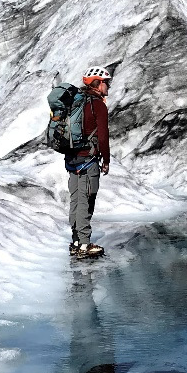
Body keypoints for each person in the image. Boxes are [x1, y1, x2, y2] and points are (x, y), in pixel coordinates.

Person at [66, 65, 112, 258]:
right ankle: (84, 245)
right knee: (87, 199)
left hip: (72, 158)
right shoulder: (97, 105)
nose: (108, 87)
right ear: (97, 83)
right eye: (106, 83)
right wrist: (106, 159)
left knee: (76, 199)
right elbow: (102, 136)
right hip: (88, 159)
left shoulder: (76, 102)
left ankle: (76, 240)